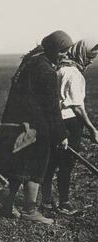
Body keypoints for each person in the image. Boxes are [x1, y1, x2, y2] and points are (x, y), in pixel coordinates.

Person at [0, 30, 72, 224]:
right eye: (63, 51)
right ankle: (29, 210)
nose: (65, 55)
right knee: (37, 167)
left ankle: (8, 206)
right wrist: (61, 134)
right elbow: (51, 107)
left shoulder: (31, 61)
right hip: (35, 127)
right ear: (54, 48)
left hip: (20, 123)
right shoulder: (46, 70)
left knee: (19, 164)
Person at [41, 39, 98, 215]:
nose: (90, 61)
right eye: (89, 56)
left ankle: (47, 199)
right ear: (80, 53)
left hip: (55, 121)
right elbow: (77, 106)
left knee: (51, 162)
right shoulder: (74, 74)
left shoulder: (59, 69)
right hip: (70, 122)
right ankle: (64, 203)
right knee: (66, 164)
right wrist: (91, 128)